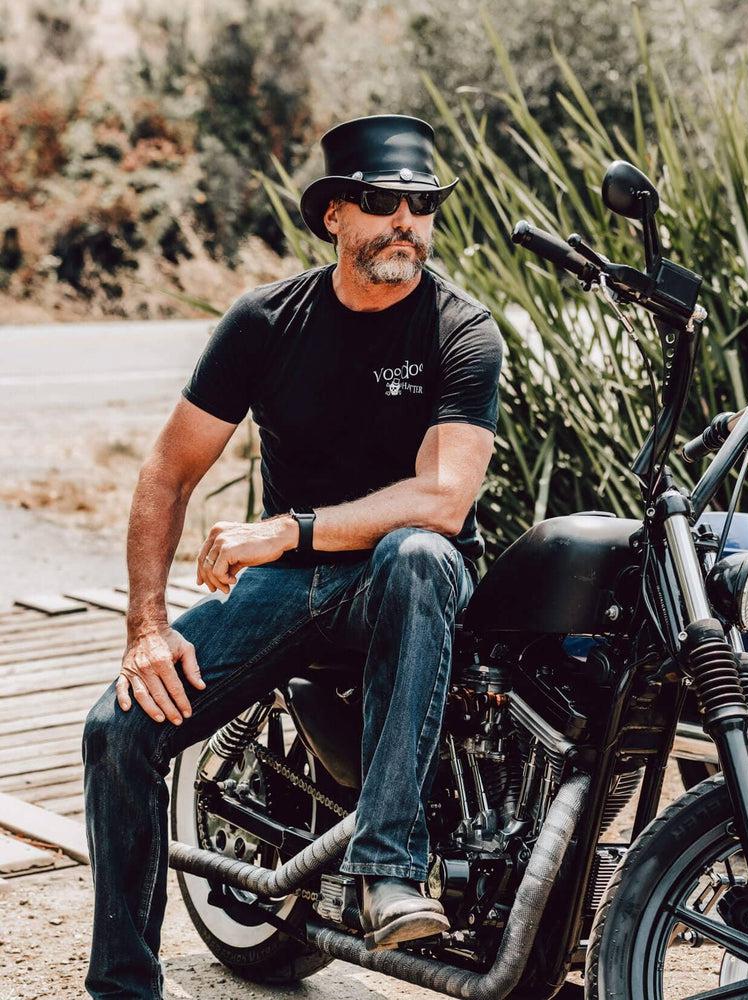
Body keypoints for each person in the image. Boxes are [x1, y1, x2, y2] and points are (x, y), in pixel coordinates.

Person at [81, 114, 504, 998]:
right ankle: (123, 985)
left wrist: (287, 529)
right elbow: (166, 474)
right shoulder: (267, 322)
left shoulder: (463, 330)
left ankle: (389, 869)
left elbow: (443, 499)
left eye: (423, 205)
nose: (407, 222)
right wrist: (147, 626)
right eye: (385, 202)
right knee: (117, 729)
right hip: (291, 590)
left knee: (420, 555)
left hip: (404, 588)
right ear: (335, 216)